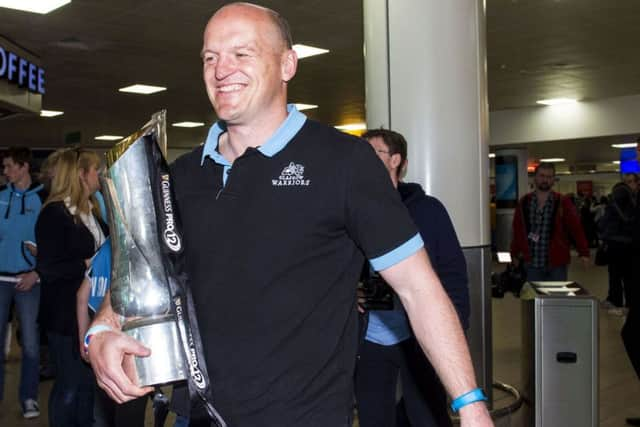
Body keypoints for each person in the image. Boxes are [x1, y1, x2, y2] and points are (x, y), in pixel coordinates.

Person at [85, 3, 493, 427]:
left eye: (242, 54)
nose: (222, 69)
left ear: (287, 64)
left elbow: (419, 289)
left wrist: (472, 405)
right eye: (210, 57)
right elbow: (139, 280)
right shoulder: (182, 176)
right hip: (199, 416)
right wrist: (99, 333)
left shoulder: (344, 163)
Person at [355, 129, 470, 427]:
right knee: (372, 417)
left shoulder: (428, 211)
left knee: (426, 416)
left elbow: (453, 274)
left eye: (373, 153)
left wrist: (455, 330)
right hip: (370, 335)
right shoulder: (354, 209)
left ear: (396, 160)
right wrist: (349, 292)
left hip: (419, 336)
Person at [35, 148, 107, 427]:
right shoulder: (54, 214)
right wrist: (87, 263)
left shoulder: (91, 211)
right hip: (64, 316)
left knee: (87, 387)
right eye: (95, 170)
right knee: (69, 387)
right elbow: (50, 268)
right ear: (81, 175)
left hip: (91, 313)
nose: (99, 175)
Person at [0, 147, 45, 418]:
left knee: (30, 343)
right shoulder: (0, 197)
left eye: (8, 166)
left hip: (30, 280)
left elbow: (51, 244)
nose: (5, 172)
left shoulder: (43, 198)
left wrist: (37, 272)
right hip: (0, 279)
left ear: (24, 166)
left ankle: (29, 398)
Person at [510, 163, 590, 281]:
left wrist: (584, 252)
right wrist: (514, 252)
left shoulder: (563, 202)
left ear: (553, 180)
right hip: (531, 262)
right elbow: (517, 229)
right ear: (535, 178)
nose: (545, 180)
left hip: (556, 263)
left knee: (556, 298)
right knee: (532, 298)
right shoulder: (524, 202)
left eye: (549, 177)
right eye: (542, 176)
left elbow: (576, 228)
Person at [599, 182, 636, 315]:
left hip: (615, 246)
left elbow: (603, 224)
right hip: (630, 246)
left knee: (615, 276)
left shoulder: (612, 207)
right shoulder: (634, 206)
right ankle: (630, 305)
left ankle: (616, 302)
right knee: (629, 278)